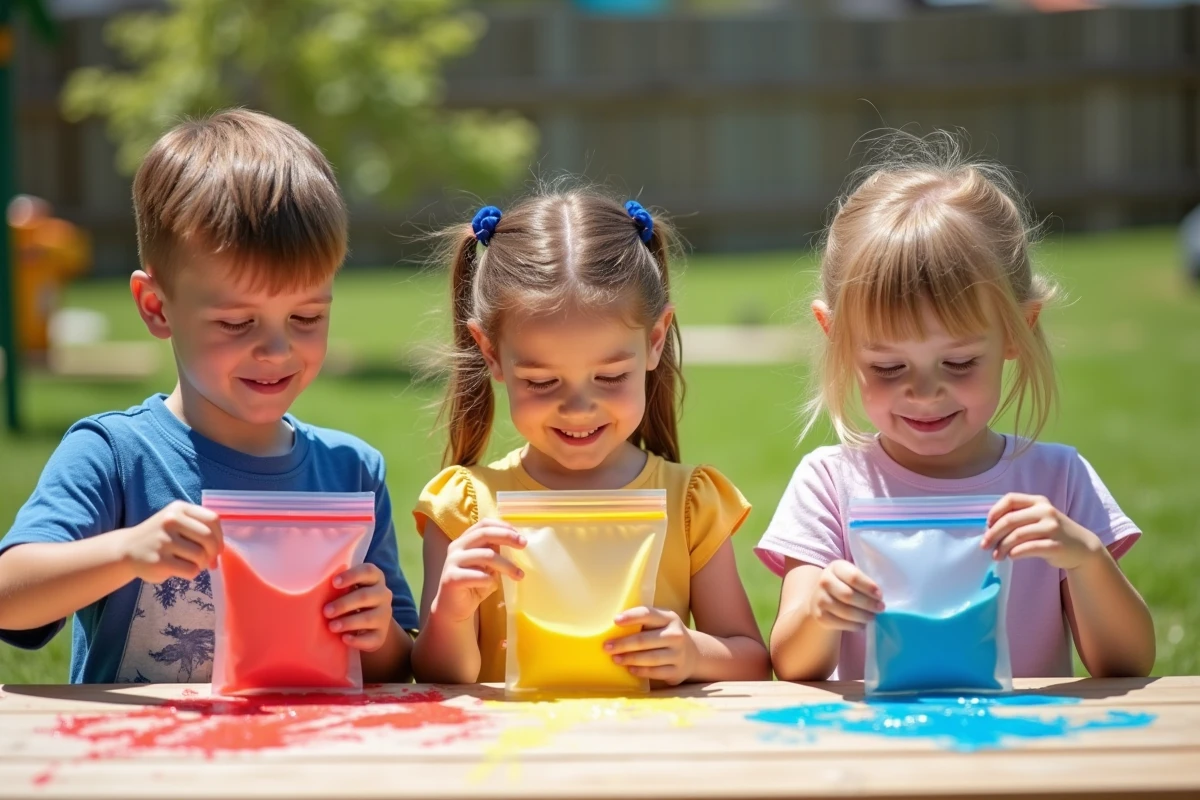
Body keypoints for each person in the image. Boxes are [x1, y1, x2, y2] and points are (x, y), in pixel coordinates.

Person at [0, 109, 418, 683]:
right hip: (142, 761)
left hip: (302, 758)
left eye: (306, 315)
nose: (277, 350)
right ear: (157, 307)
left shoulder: (351, 472)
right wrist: (125, 552)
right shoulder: (116, 456)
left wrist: (378, 631)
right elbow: (9, 598)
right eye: (236, 323)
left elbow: (399, 668)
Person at [758, 131, 1155, 682]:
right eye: (889, 367)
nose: (925, 393)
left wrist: (1087, 558)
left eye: (960, 363)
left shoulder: (1056, 480)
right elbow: (793, 665)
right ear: (838, 338)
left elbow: (1129, 665)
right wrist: (820, 611)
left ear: (1019, 330)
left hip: (1022, 752)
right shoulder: (830, 483)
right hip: (874, 755)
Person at [412, 190, 770, 685]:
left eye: (609, 378)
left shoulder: (690, 506)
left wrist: (693, 654)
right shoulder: (465, 509)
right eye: (541, 382)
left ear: (655, 341)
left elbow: (750, 658)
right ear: (491, 353)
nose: (578, 408)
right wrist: (449, 616)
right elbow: (436, 681)